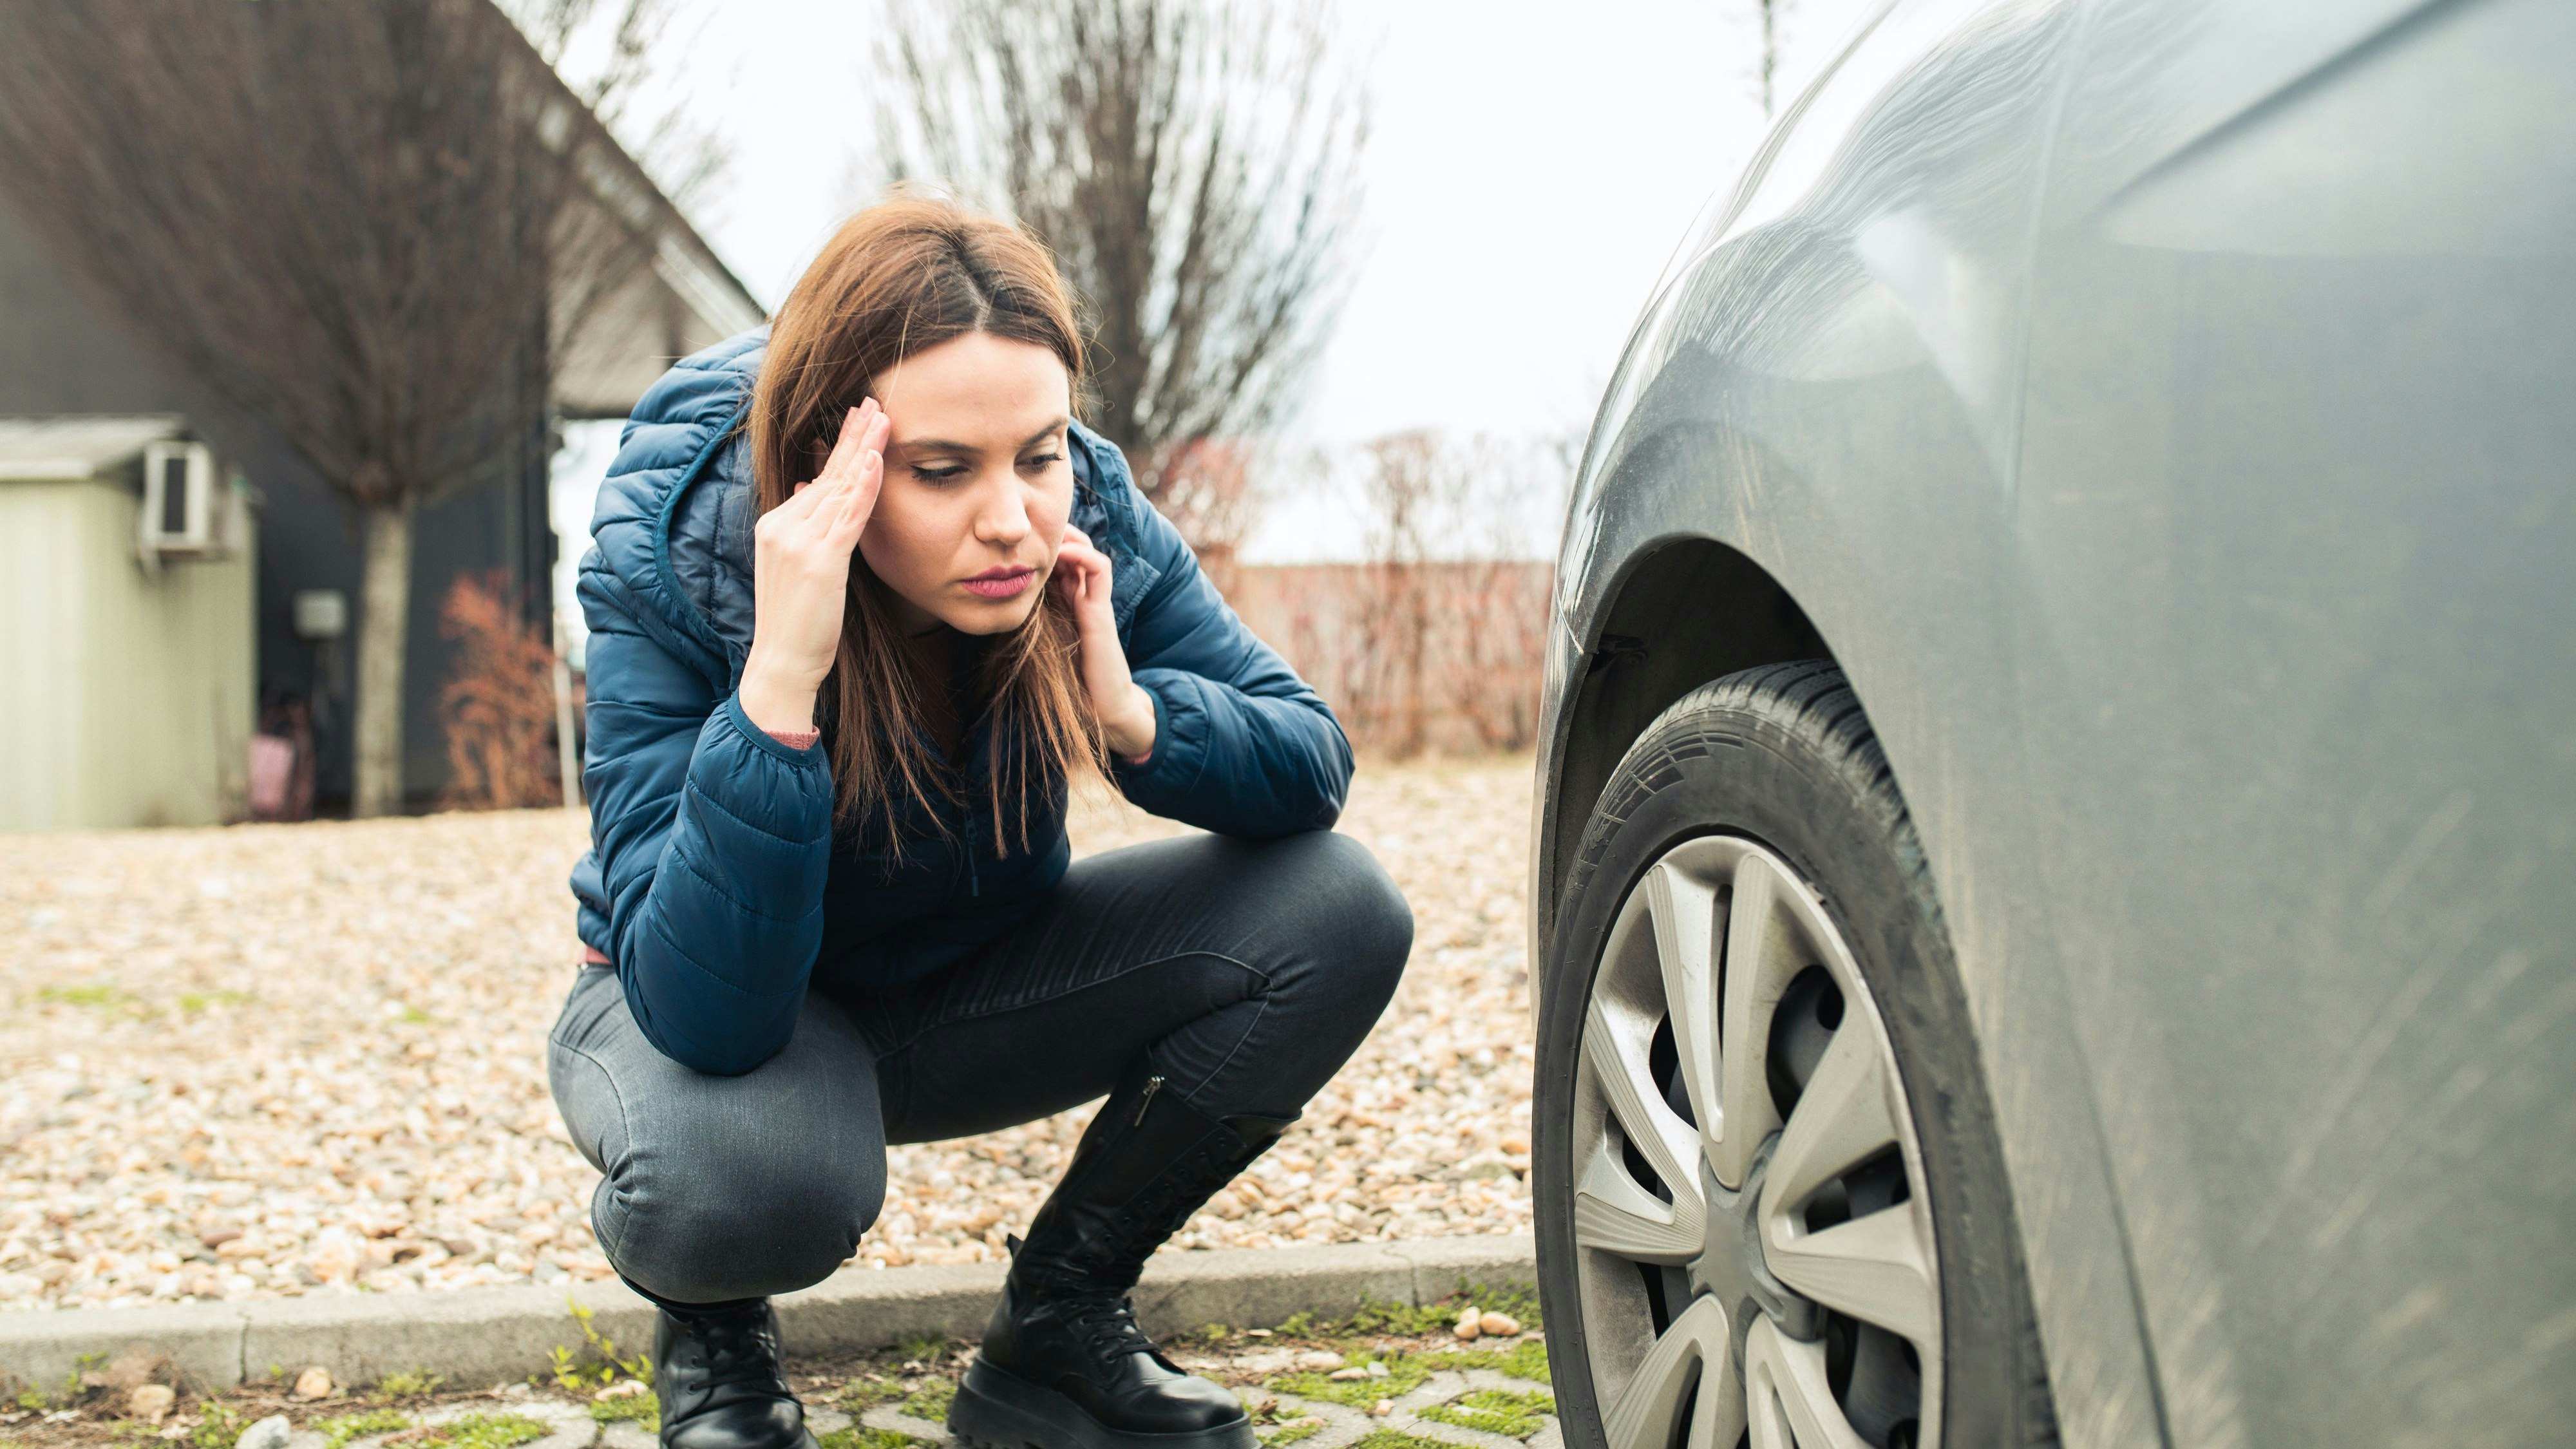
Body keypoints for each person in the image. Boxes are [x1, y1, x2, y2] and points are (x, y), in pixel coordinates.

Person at [549, 193, 1413, 1449]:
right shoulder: (682, 551)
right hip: (717, 1022)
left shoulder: (1080, 512)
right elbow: (704, 1010)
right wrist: (778, 684)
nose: (1009, 515)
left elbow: (1306, 763)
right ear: (823, 462)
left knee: (1335, 909)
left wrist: (1127, 711)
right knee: (749, 1184)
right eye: (942, 470)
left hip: (961, 983)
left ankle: (1055, 1329)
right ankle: (714, 1330)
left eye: (1039, 453)